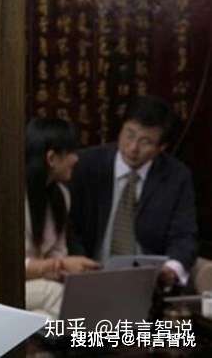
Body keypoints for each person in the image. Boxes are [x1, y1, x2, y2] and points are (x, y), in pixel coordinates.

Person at [69, 95, 197, 289]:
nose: (133, 148)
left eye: (146, 142)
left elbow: (184, 235)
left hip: (148, 284)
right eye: (129, 135)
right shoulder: (86, 165)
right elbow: (70, 227)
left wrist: (171, 269)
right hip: (89, 276)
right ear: (121, 129)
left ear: (161, 148)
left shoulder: (176, 176)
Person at [24, 118, 99, 319]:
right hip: (13, 285)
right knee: (60, 296)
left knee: (45, 316)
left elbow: (58, 252)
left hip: (41, 283)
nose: (76, 159)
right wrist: (61, 265)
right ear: (51, 158)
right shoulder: (14, 199)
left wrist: (68, 270)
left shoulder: (61, 195)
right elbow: (11, 266)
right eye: (71, 152)